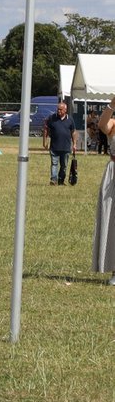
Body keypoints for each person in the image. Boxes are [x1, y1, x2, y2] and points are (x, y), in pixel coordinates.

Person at [93, 97, 115, 286]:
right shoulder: (113, 124)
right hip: (114, 173)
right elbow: (102, 124)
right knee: (112, 220)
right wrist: (111, 105)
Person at [43, 101, 76, 186]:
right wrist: (44, 141)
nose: (58, 111)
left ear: (65, 110)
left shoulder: (70, 119)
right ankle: (53, 180)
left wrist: (74, 144)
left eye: (60, 109)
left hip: (66, 147)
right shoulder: (52, 118)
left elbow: (73, 132)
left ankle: (61, 180)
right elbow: (46, 129)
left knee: (64, 166)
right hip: (54, 147)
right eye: (58, 109)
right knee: (54, 164)